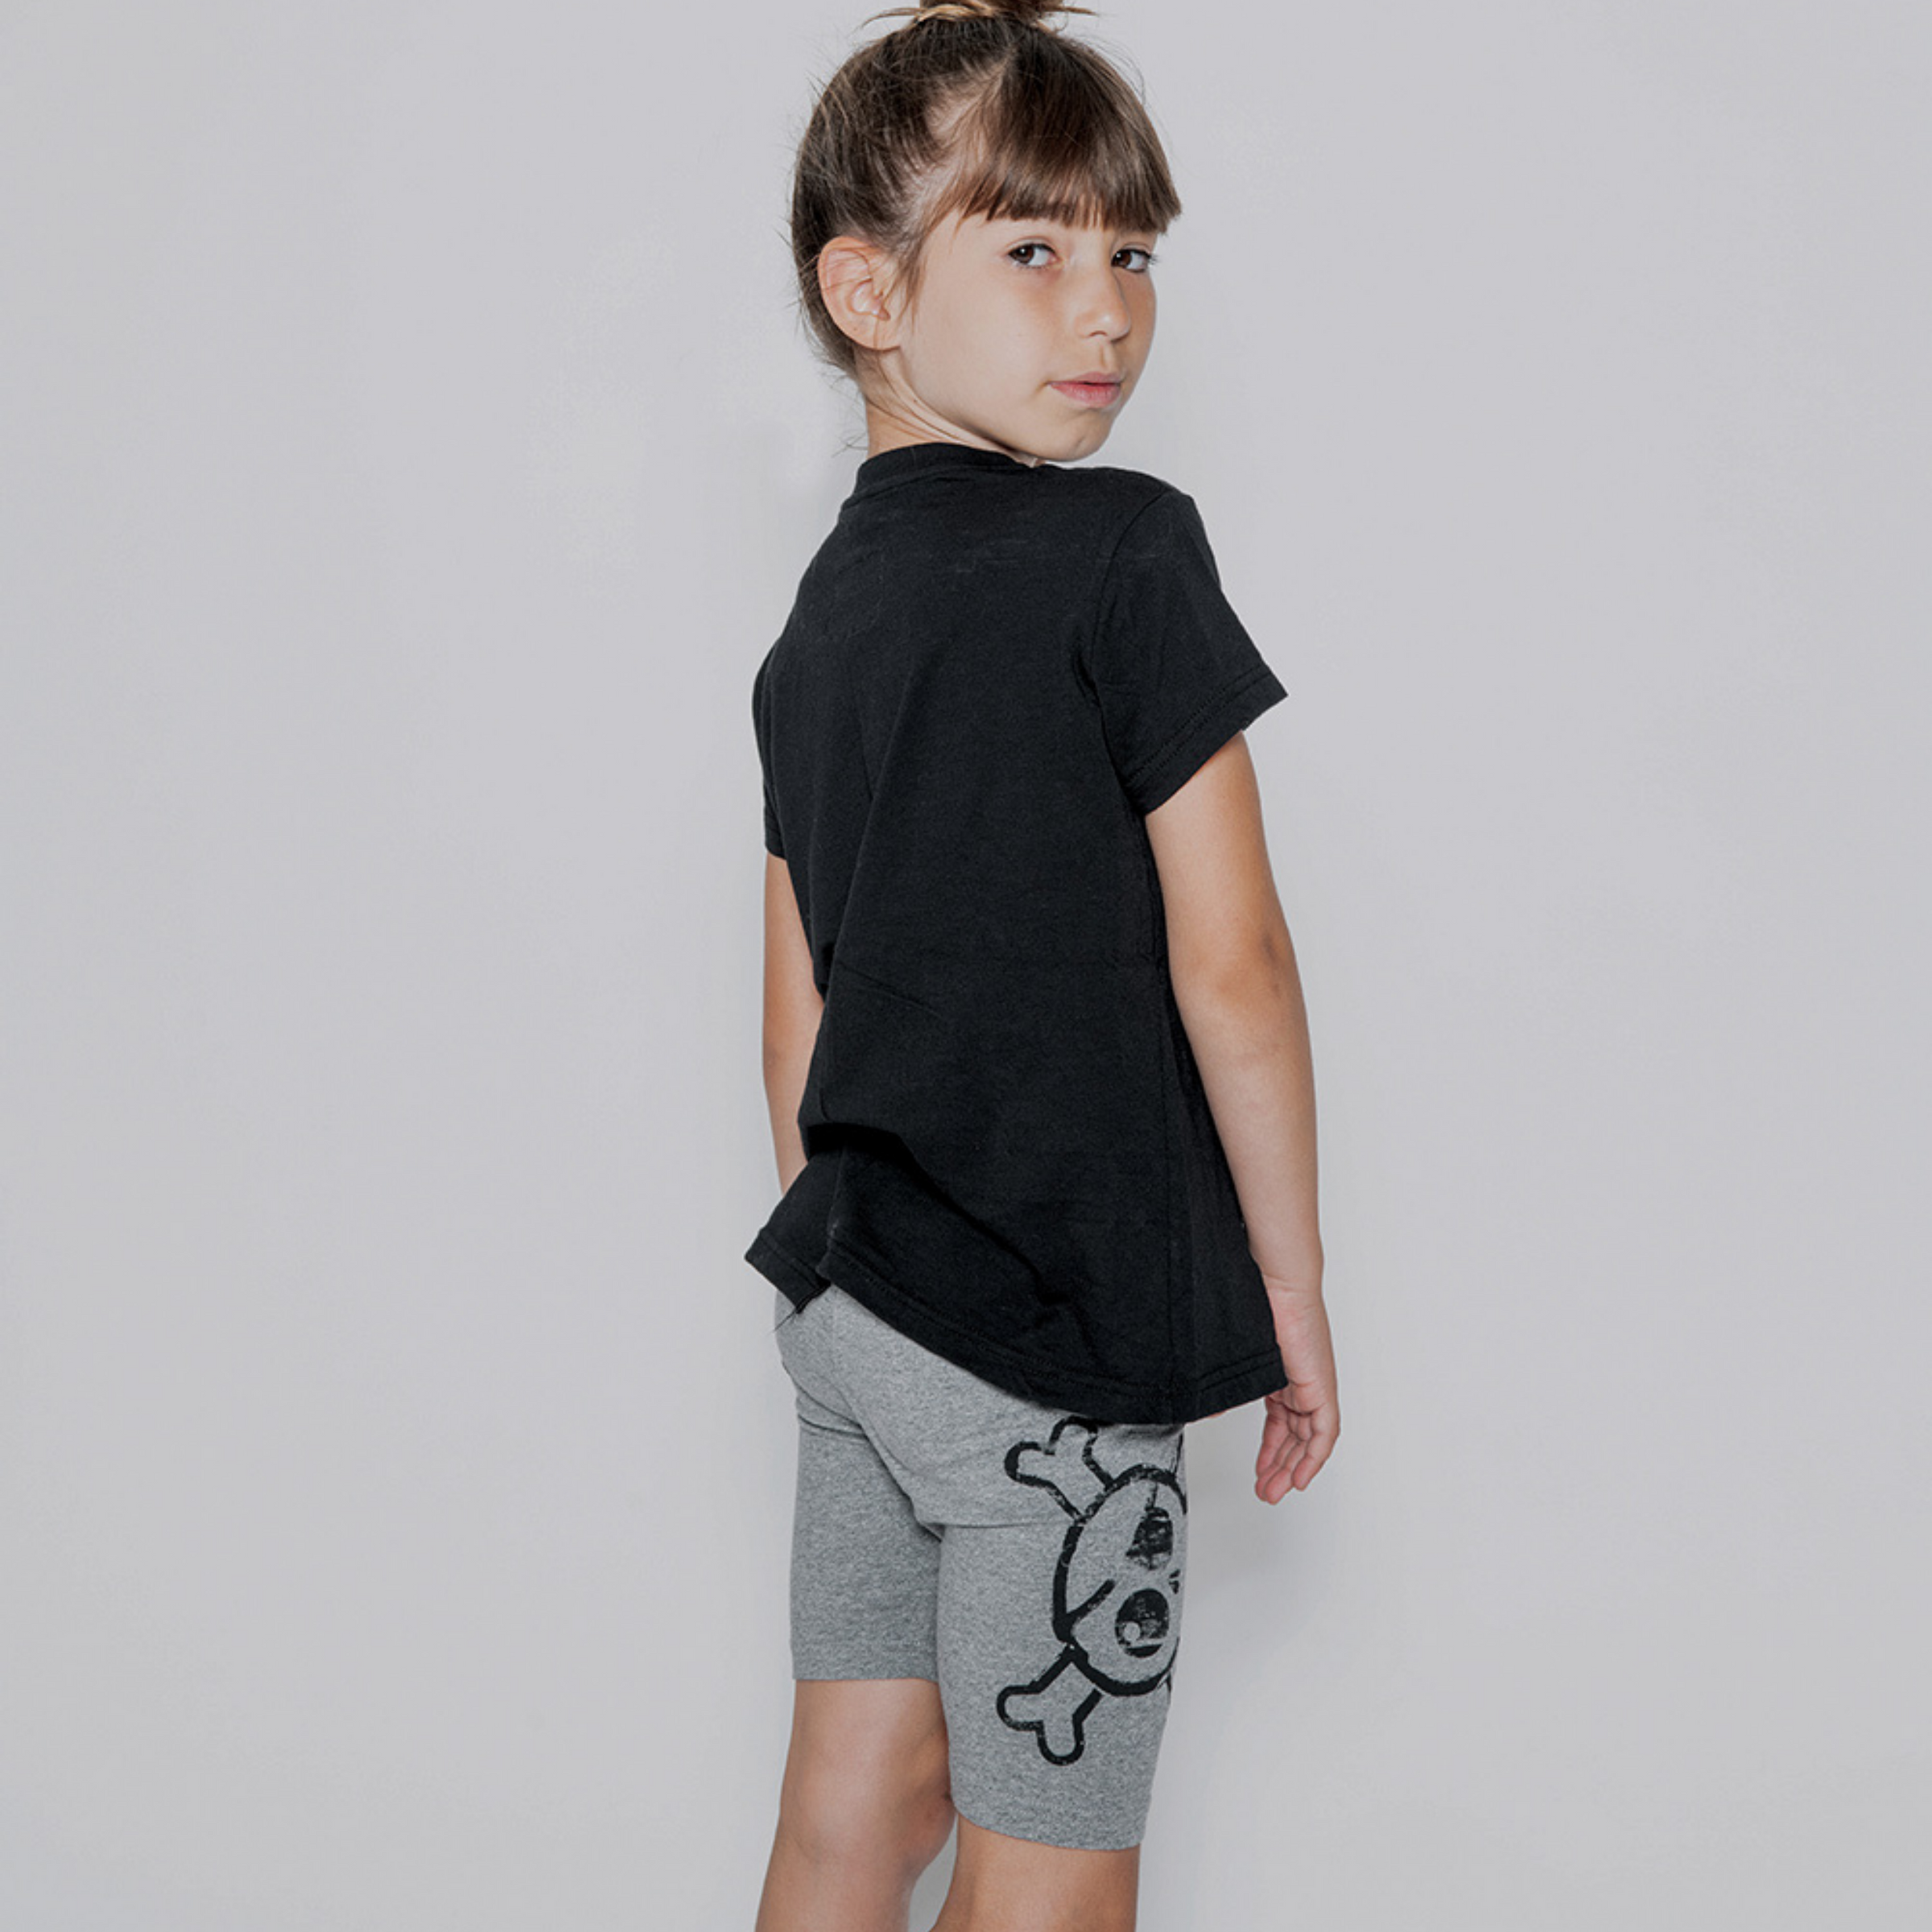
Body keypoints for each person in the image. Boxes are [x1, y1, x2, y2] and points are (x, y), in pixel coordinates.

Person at [745, 2, 1338, 1926]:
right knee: (1051, 1869)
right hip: (1046, 1341)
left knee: (855, 1807)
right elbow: (1235, 960)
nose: (1107, 310)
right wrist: (1289, 1288)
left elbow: (798, 1004)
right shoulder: (1125, 555)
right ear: (868, 291)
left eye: (1132, 251)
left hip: (855, 1302)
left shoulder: (816, 628)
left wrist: (849, 1275)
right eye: (1032, 249)